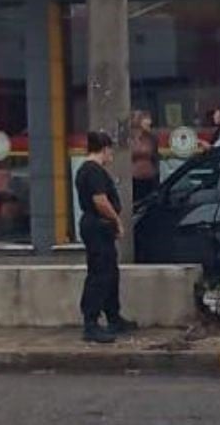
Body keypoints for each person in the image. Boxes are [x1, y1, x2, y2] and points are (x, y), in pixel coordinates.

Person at [75, 131, 138, 343]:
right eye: (111, 150)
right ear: (104, 149)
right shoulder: (93, 171)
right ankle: (91, 323)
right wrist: (117, 220)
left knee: (110, 272)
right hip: (97, 226)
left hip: (99, 226)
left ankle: (114, 317)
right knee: (100, 273)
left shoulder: (89, 170)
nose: (112, 155)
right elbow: (100, 200)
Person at [130, 110, 160, 205]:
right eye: (146, 119)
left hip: (150, 178)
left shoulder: (151, 138)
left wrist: (156, 175)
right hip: (134, 179)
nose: (149, 122)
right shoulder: (129, 139)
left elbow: (155, 157)